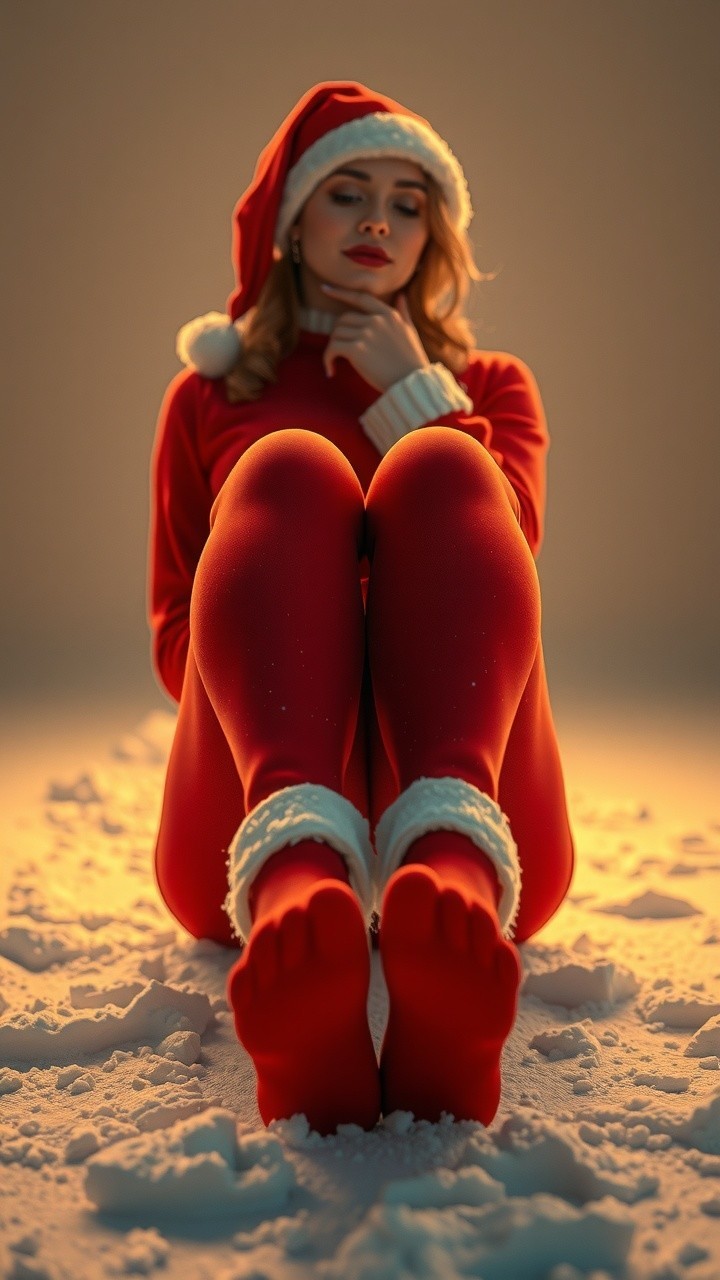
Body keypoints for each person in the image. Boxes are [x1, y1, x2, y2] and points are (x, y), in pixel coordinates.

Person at [147, 80, 575, 1138]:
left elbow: (508, 565)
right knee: (289, 466)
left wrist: (417, 395)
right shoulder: (214, 397)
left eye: (408, 200)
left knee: (439, 466)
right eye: (347, 193)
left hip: (479, 782)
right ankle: (297, 876)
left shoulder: (492, 388)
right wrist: (308, 644)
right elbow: (173, 642)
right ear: (292, 223)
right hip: (256, 797)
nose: (380, 221)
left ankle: (452, 870)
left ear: (437, 233)